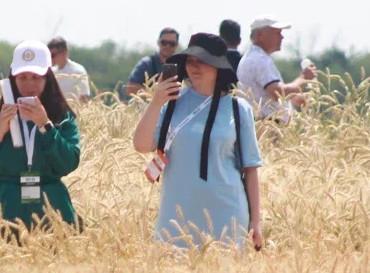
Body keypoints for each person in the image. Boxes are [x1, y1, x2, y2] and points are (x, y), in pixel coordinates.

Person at [132, 33, 263, 250]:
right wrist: (156, 102)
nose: (194, 67)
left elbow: (250, 169)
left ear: (218, 66)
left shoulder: (239, 109)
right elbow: (141, 145)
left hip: (227, 215)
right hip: (176, 217)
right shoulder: (171, 104)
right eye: (190, 61)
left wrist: (256, 222)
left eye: (203, 61)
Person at [0, 41, 81, 238]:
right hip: (6, 208)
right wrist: (0, 131)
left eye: (36, 77)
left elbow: (69, 162)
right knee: (3, 257)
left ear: (47, 77)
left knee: (56, 258)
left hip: (51, 207)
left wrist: (46, 126)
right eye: (23, 77)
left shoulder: (61, 115)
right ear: (13, 78)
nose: (30, 85)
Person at [236, 15, 316, 121]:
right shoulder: (260, 59)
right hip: (268, 125)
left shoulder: (253, 56)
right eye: (277, 33)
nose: (282, 37)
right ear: (260, 35)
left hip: (260, 123)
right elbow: (277, 92)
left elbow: (265, 94)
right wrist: (303, 78)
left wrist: (292, 98)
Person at [125, 27, 181, 98]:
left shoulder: (183, 65)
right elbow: (130, 88)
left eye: (172, 44)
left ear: (177, 45)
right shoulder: (146, 63)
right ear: (158, 43)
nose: (167, 46)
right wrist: (153, 94)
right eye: (164, 43)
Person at [48, 36, 91, 103]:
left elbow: (84, 98)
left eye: (53, 55)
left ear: (64, 53)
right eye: (48, 55)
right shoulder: (51, 72)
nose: (50, 58)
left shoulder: (78, 71)